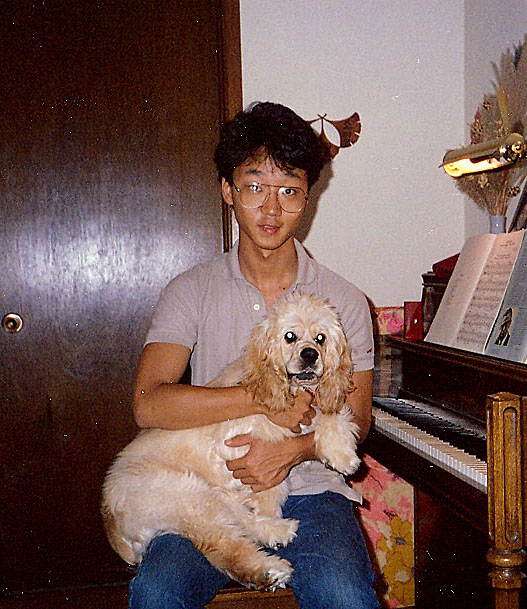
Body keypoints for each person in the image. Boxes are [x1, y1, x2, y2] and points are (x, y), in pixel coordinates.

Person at [127, 101, 379, 609]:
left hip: (314, 491)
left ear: (307, 197)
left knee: (346, 596)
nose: (270, 209)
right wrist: (260, 399)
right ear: (228, 190)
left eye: (288, 190)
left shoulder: (344, 300)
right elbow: (149, 404)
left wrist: (293, 451)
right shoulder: (190, 290)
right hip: (209, 488)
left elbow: (359, 417)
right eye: (254, 186)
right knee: (156, 593)